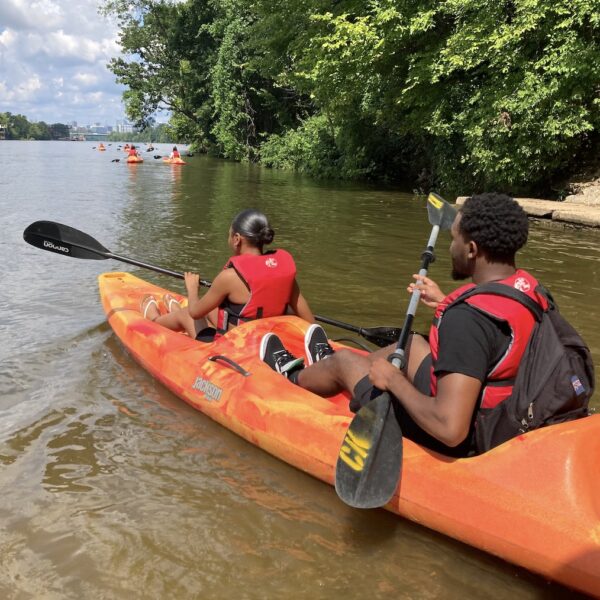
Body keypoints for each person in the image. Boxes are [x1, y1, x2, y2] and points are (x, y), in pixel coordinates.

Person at [260, 193, 548, 457]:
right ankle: (325, 368)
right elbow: (497, 334)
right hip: (505, 412)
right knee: (410, 344)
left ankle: (293, 379)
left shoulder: (467, 318)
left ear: (471, 249)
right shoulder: (530, 290)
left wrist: (394, 381)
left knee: (345, 360)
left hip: (470, 437)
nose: (451, 247)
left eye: (454, 239)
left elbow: (450, 430)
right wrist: (446, 301)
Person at [141, 209, 315, 346]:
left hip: (234, 350)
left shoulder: (229, 277)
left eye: (229, 234)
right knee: (212, 307)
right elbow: (309, 321)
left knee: (187, 313)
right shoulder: (283, 273)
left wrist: (192, 289)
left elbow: (195, 313)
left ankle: (154, 321)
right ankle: (173, 308)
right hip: (266, 343)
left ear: (237, 239)